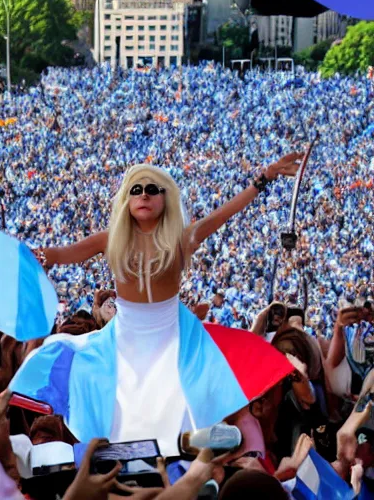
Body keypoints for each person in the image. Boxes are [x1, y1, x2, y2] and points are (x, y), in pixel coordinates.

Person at [28, 157, 301, 454]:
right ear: (126, 200)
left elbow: (225, 213)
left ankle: (185, 459)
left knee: (173, 409)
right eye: (136, 189)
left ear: (166, 198)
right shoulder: (111, 240)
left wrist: (266, 177)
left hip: (172, 338)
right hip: (125, 340)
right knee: (111, 400)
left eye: (152, 189)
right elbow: (60, 254)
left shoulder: (182, 239)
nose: (144, 194)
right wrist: (32, 256)